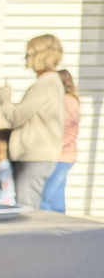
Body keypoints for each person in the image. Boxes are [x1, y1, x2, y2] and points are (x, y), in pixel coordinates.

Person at [0, 34, 64, 208]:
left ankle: (28, 236)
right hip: (36, 155)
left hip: (34, 156)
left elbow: (16, 117)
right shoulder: (51, 82)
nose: (25, 59)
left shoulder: (45, 83)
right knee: (29, 204)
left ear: (40, 55)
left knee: (27, 208)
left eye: (28, 54)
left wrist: (5, 98)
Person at [41, 69, 80, 213]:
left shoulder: (67, 100)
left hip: (62, 156)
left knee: (46, 197)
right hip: (62, 155)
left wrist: (55, 145)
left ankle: (46, 226)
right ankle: (61, 225)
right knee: (57, 195)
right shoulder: (64, 99)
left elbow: (71, 128)